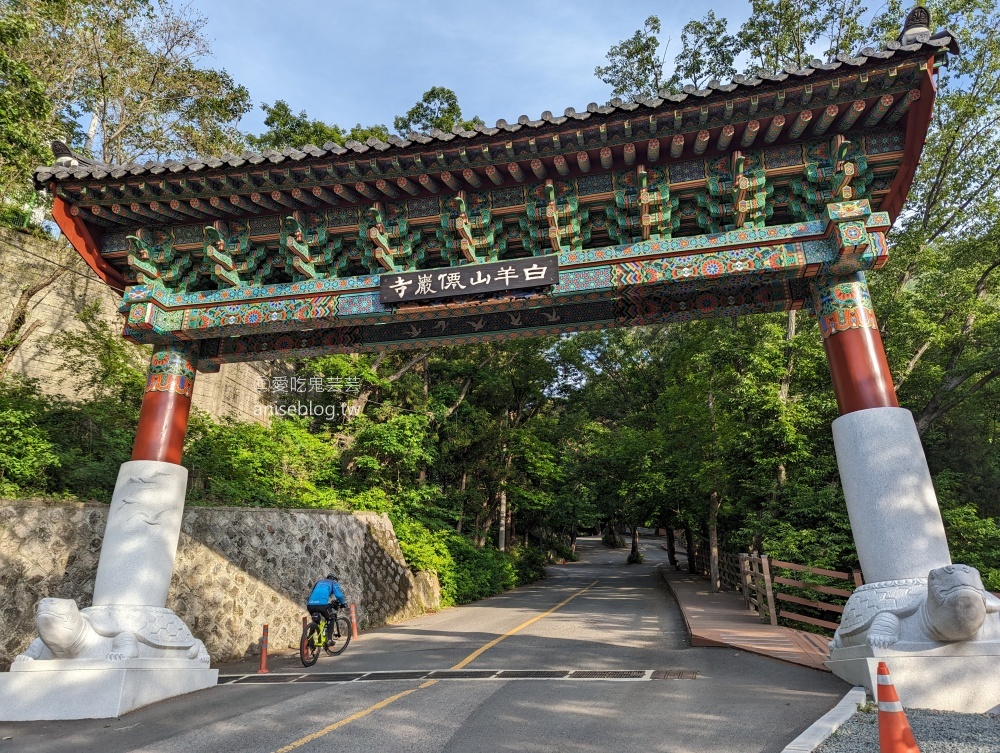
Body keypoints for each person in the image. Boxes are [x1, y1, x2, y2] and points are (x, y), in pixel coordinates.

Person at [306, 573, 346, 643]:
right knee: (331, 618)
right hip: (322, 605)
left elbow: (313, 592)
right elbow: (339, 595)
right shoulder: (333, 583)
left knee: (316, 621)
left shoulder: (319, 582)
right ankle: (330, 640)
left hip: (310, 604)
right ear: (334, 580)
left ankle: (310, 637)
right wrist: (343, 603)